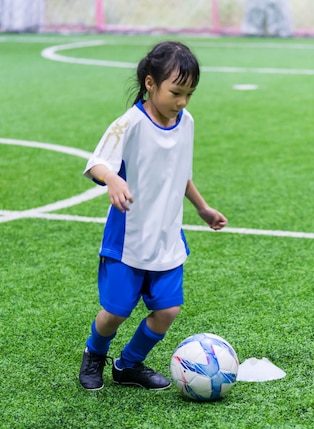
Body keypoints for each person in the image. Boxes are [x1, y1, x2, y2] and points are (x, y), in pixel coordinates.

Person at [79, 41, 228, 391]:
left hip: (166, 237)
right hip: (128, 239)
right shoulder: (130, 123)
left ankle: (128, 365)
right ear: (150, 84)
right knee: (115, 312)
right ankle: (94, 354)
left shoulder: (185, 122)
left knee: (168, 311)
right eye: (176, 92)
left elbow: (180, 173)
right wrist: (113, 178)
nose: (182, 102)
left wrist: (202, 207)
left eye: (190, 94)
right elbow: (97, 162)